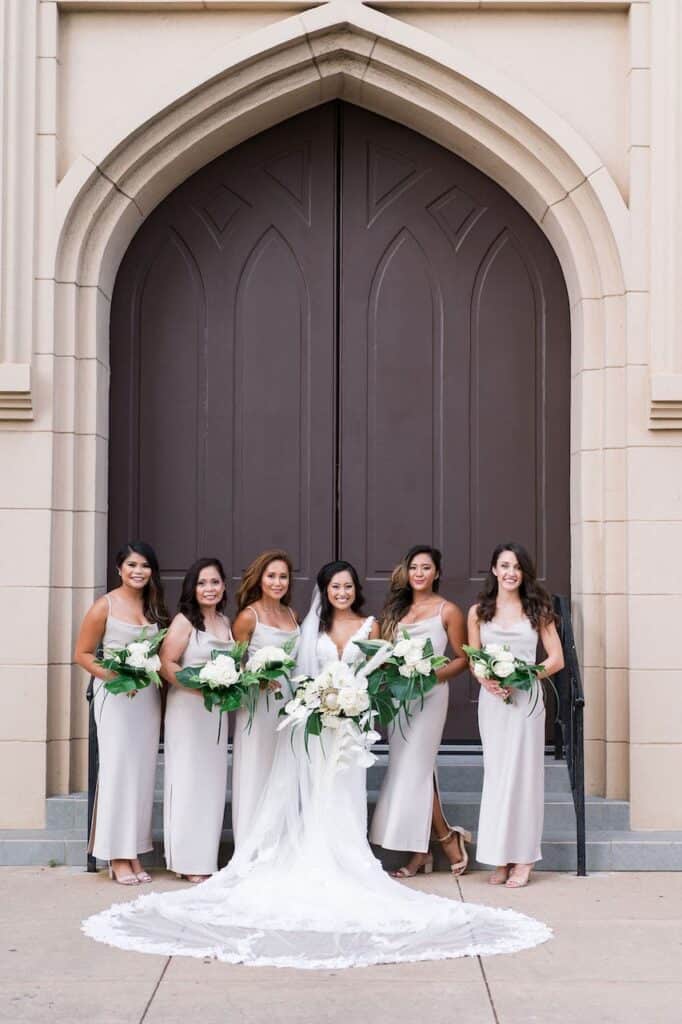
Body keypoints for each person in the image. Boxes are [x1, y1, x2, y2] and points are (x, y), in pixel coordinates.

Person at [83, 562, 551, 967]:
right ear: (324, 592)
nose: (342, 592)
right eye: (335, 587)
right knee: (310, 789)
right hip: (315, 718)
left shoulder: (371, 626)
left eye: (348, 586)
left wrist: (354, 702)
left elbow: (379, 670)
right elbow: (299, 672)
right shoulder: (310, 629)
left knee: (343, 792)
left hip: (349, 723)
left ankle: (369, 852)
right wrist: (314, 700)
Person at [468, 542, 564, 888]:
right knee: (497, 775)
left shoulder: (537, 610)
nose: (510, 572)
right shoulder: (478, 611)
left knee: (524, 776)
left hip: (526, 700)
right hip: (494, 702)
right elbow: (475, 658)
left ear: (524, 573)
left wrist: (524, 676)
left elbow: (555, 659)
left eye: (517, 567)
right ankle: (500, 856)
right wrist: (489, 681)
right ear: (494, 570)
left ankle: (524, 857)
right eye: (504, 565)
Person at [370, 545, 470, 877]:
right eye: (414, 567)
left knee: (416, 768)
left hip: (430, 696)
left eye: (426, 567)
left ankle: (445, 839)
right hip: (401, 699)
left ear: (436, 573)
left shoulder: (448, 611)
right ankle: (422, 851)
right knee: (409, 769)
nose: (419, 573)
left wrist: (428, 676)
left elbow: (462, 659)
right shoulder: (395, 611)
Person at [75, 540, 169, 885]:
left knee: (142, 772)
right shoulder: (105, 606)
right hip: (115, 697)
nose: (138, 571)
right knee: (117, 769)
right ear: (120, 569)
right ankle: (115, 855)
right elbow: (83, 654)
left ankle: (133, 851)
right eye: (132, 565)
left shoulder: (155, 606)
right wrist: (116, 677)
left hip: (145, 698)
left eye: (144, 565)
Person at [160, 558, 233, 882]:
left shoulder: (224, 621)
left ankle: (205, 857)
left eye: (215, 582)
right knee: (188, 779)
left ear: (223, 586)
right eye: (202, 583)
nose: (209, 588)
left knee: (211, 783)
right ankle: (187, 860)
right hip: (188, 711)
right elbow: (167, 663)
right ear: (192, 587)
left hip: (215, 713)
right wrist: (200, 685)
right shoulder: (184, 622)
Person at [230, 549, 300, 846]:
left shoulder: (291, 614)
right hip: (258, 705)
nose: (277, 582)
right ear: (260, 579)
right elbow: (233, 661)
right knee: (257, 768)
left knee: (283, 769)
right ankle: (251, 844)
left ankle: (280, 843)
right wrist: (255, 679)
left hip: (288, 704)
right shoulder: (249, 616)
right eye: (271, 576)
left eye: (283, 576)